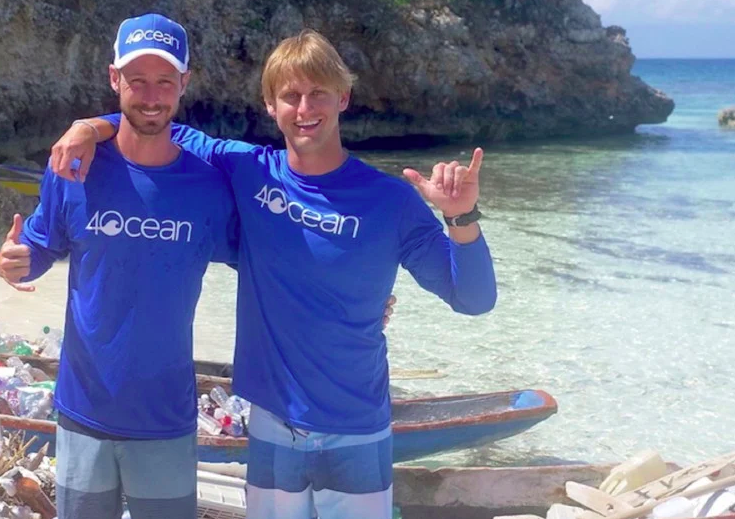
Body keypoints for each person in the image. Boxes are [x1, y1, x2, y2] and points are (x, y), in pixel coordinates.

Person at [54, 30, 495, 519]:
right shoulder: (248, 170)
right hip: (269, 424)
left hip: (356, 427)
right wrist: (89, 127)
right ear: (270, 105)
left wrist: (460, 217)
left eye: (319, 93)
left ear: (343, 97)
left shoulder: (390, 201)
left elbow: (473, 298)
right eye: (290, 95)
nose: (305, 108)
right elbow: (153, 119)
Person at [0, 13, 240, 519]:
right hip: (83, 409)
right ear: (114, 79)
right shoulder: (74, 166)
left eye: (165, 81)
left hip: (164, 418)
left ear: (185, 83)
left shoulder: (209, 185)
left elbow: (271, 260)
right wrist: (17, 261)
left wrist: (354, 299)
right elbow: (42, 243)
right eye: (137, 80)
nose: (151, 96)